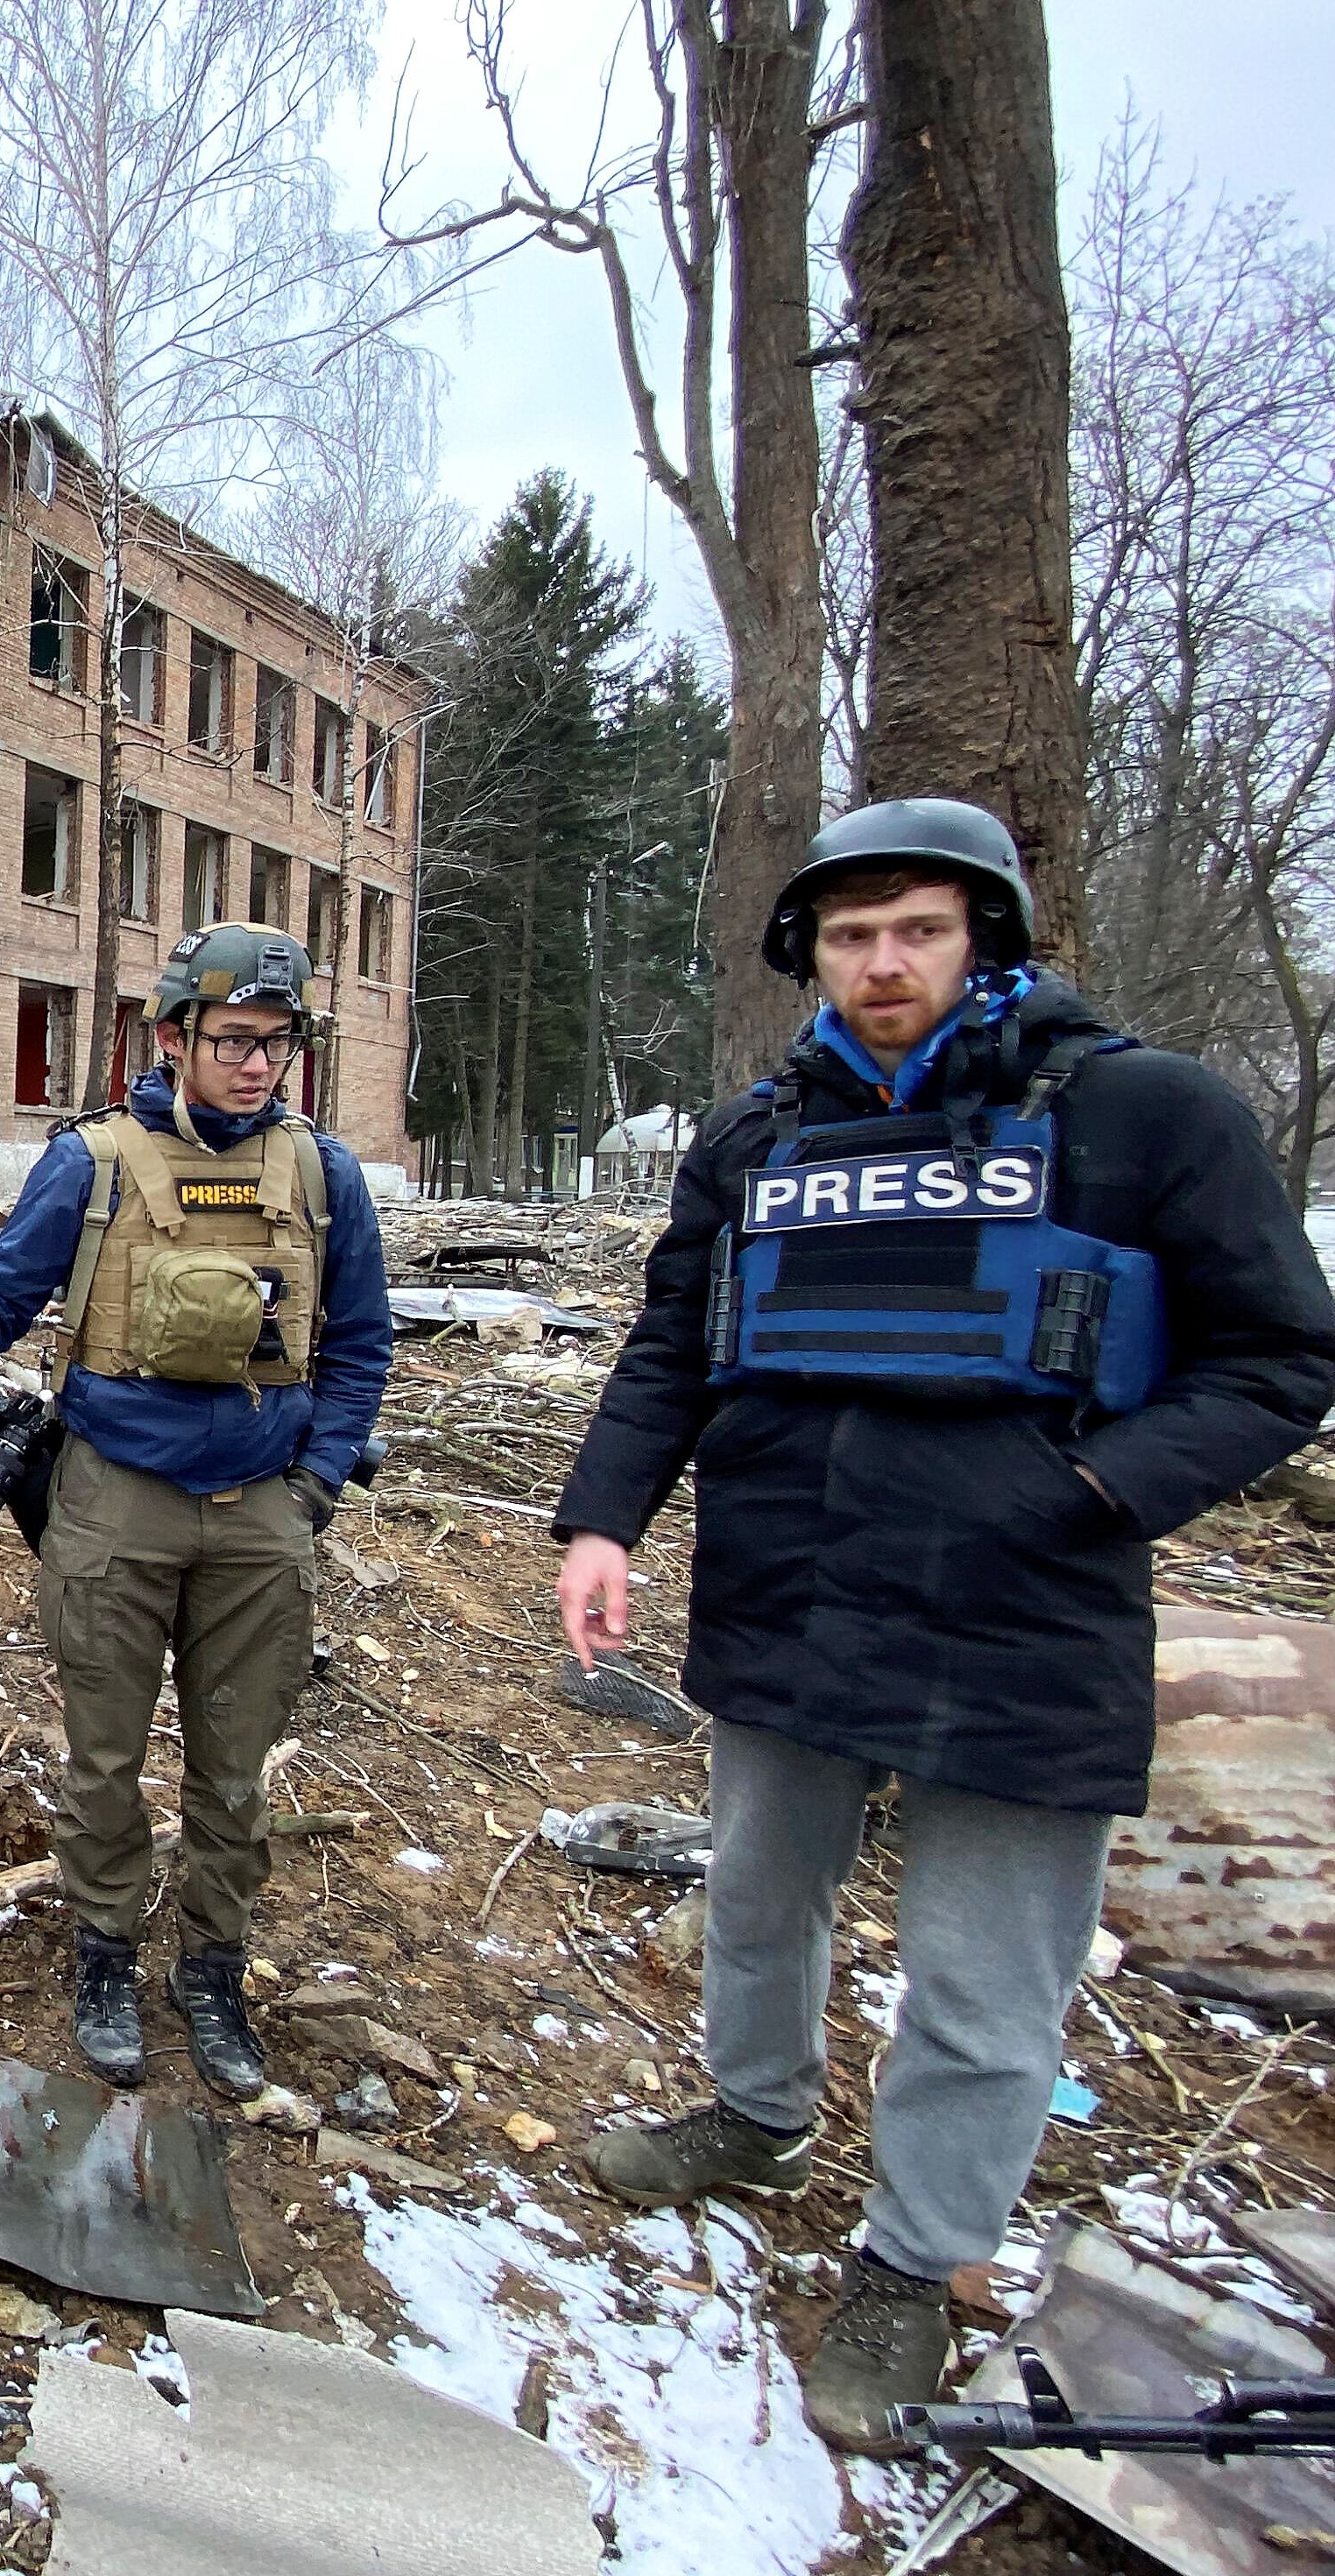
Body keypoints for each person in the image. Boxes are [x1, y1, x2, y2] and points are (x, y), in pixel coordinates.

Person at [549, 798, 1335, 2454]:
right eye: (851, 935)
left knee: (984, 1979)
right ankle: (757, 2118)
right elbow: (673, 1349)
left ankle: (915, 2258)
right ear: (810, 958)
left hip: (1027, 1613)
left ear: (986, 936)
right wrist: (604, 1518)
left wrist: (1095, 1494)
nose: (884, 962)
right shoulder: (758, 1136)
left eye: (917, 929)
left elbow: (1280, 1361)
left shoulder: (1146, 1113)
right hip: (791, 1589)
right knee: (761, 1898)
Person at [0, 923, 392, 2097]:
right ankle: (108, 1953)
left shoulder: (324, 1175)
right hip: (115, 1507)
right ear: (171, 1035)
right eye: (232, 1039)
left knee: (235, 1773)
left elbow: (363, 1343)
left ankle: (213, 1970)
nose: (255, 1065)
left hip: (260, 1517)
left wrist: (318, 1482)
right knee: (107, 1759)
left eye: (277, 1044)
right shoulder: (94, 1163)